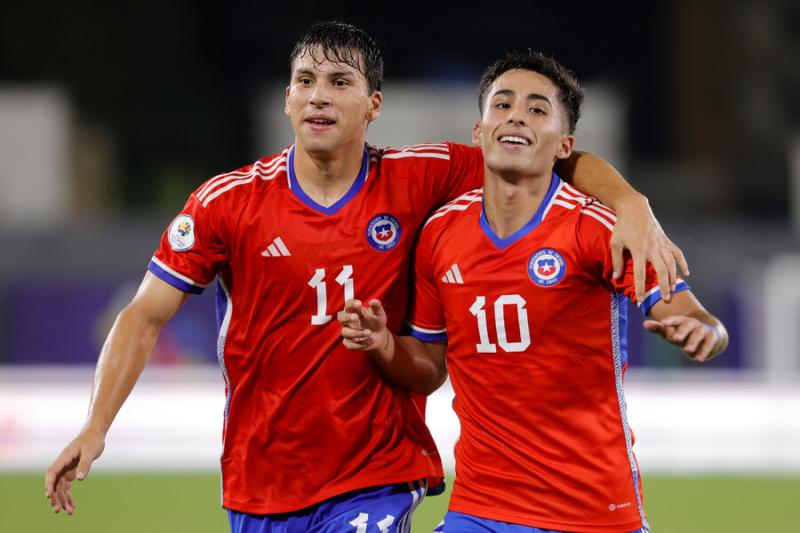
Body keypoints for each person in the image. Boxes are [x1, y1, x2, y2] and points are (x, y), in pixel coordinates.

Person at [45, 21, 687, 532]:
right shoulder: (226, 203)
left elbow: (548, 156)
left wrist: (633, 204)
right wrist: (95, 426)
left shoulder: (422, 176)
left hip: (377, 471)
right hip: (262, 474)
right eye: (304, 80)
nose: (319, 93)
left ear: (372, 103)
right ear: (287, 99)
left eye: (339, 80)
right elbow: (144, 315)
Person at [338, 50, 728, 533]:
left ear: (565, 145)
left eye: (538, 108)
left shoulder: (597, 227)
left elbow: (687, 309)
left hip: (591, 512)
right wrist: (385, 346)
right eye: (502, 105)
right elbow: (427, 368)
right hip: (480, 508)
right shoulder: (440, 234)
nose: (517, 114)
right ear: (479, 132)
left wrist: (702, 329)